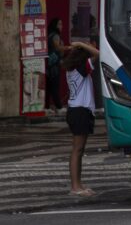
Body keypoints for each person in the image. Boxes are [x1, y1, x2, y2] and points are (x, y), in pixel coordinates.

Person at [63, 41, 99, 196]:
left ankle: (78, 184)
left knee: (79, 150)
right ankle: (75, 187)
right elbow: (98, 53)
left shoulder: (72, 70)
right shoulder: (81, 69)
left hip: (76, 110)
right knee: (77, 150)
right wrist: (81, 44)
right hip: (80, 111)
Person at [47, 18, 69, 112]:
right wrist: (70, 47)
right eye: (59, 24)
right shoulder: (55, 36)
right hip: (54, 65)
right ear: (55, 25)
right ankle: (59, 107)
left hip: (50, 64)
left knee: (49, 86)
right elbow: (58, 47)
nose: (61, 26)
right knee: (54, 85)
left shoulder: (49, 35)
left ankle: (46, 106)